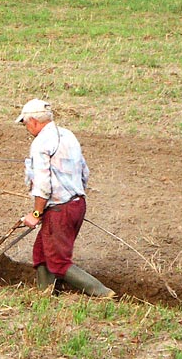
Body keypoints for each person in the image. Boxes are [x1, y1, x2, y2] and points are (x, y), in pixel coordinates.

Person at [15, 98, 115, 298]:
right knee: (42, 253)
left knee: (59, 262)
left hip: (60, 209)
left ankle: (103, 293)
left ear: (34, 121)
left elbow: (42, 185)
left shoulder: (40, 143)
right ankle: (45, 295)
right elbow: (84, 172)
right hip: (76, 204)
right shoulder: (68, 135)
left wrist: (36, 213)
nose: (26, 128)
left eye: (25, 123)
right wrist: (71, 200)